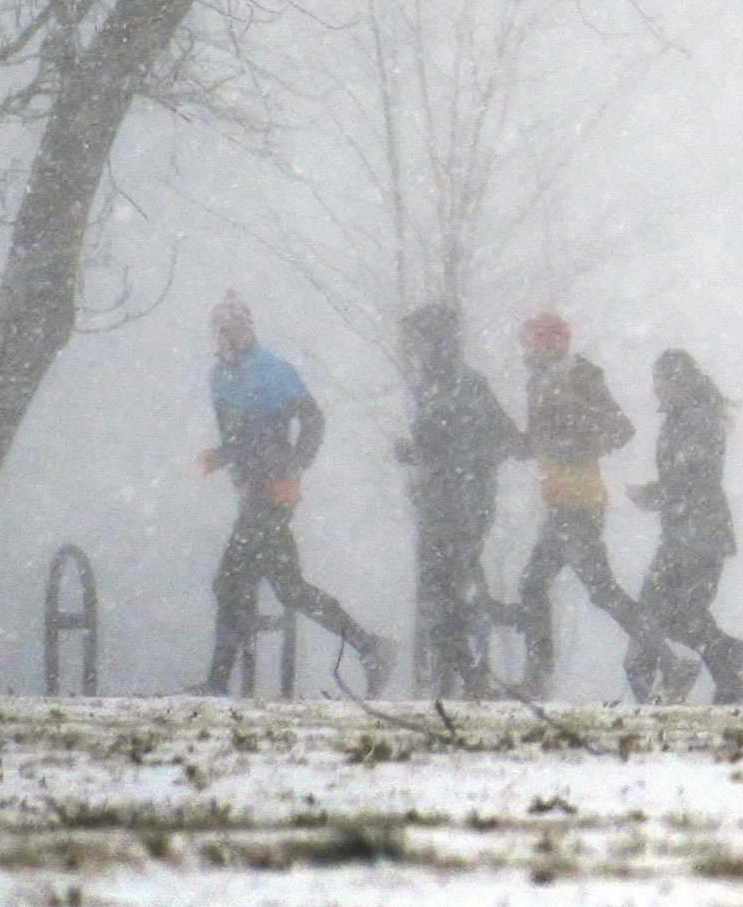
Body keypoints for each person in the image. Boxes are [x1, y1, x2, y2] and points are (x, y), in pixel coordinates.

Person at [198, 292, 389, 696]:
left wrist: (295, 468)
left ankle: (217, 685)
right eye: (221, 331)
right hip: (251, 491)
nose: (228, 338)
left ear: (249, 330)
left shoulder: (273, 370)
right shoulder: (218, 377)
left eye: (235, 329)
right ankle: (369, 646)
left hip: (274, 491)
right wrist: (222, 456)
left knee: (230, 583)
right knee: (288, 589)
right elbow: (241, 440)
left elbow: (313, 419)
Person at [505, 309, 645, 693]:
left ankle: (538, 676)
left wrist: (575, 443)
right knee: (575, 588)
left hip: (580, 501)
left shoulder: (579, 375)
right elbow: (539, 439)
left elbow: (621, 429)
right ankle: (539, 675)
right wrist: (514, 444)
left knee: (563, 587)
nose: (528, 350)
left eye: (534, 341)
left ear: (550, 342)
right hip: (559, 500)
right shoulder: (539, 380)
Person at [392, 303, 521, 699]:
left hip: (461, 508)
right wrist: (416, 454)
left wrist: (460, 463)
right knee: (442, 596)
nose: (419, 351)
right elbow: (492, 441)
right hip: (440, 506)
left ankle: (492, 644)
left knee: (451, 591)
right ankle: (472, 674)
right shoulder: (432, 387)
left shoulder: (466, 385)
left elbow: (504, 439)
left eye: (423, 341)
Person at [623, 347, 743, 703]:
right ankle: (727, 672)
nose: (657, 389)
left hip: (699, 530)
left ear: (681, 382)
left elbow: (694, 477)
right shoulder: (684, 417)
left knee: (667, 612)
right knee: (669, 612)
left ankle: (721, 671)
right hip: (686, 529)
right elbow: (686, 477)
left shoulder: (695, 419)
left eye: (662, 380)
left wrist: (656, 493)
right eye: (656, 380)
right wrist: (660, 495)